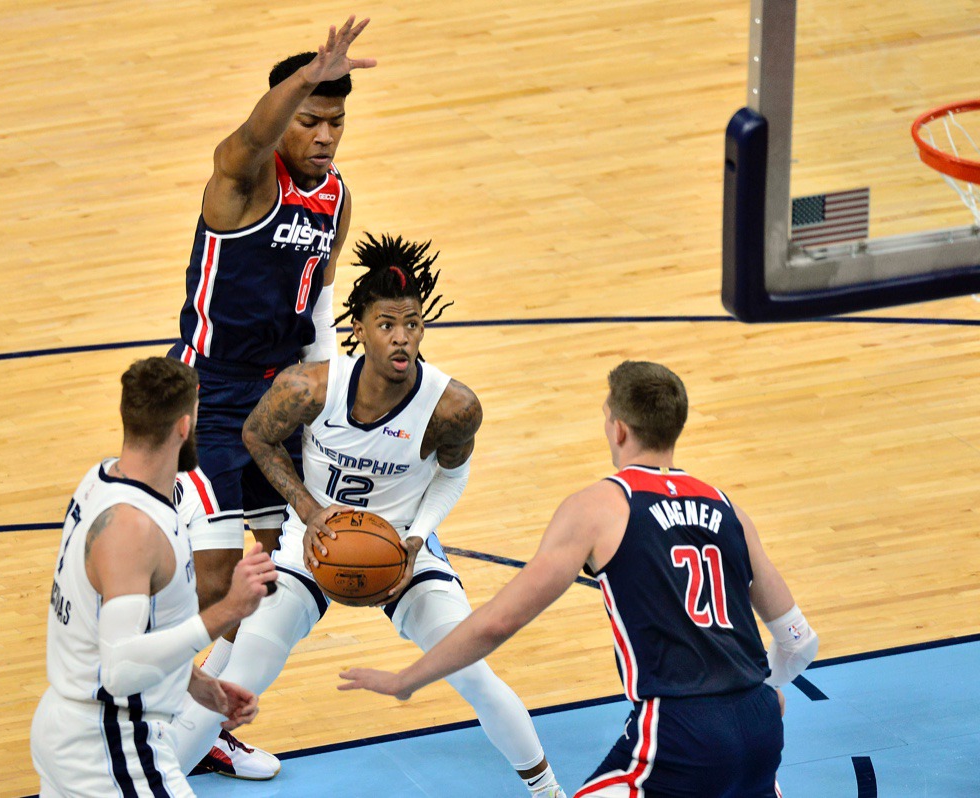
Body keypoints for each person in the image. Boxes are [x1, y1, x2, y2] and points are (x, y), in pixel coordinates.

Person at [168, 233, 567, 798]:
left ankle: (548, 789)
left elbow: (452, 475)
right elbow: (257, 436)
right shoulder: (310, 388)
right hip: (311, 550)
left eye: (412, 323)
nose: (401, 337)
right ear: (360, 328)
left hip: (400, 552)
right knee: (235, 681)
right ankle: (147, 787)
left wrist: (414, 539)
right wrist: (308, 512)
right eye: (387, 324)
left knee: (472, 670)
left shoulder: (453, 406)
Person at [340, 361, 821, 797]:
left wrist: (407, 679)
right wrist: (760, 688)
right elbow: (800, 641)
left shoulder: (599, 507)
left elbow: (496, 624)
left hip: (679, 731)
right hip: (760, 726)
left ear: (618, 428)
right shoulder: (727, 506)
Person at [164, 16, 375, 778]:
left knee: (273, 567)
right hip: (209, 394)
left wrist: (333, 396)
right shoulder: (243, 181)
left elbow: (318, 301)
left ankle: (201, 721)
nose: (324, 134)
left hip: (282, 398)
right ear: (284, 114)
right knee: (217, 575)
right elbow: (248, 138)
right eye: (310, 119)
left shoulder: (337, 196)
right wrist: (301, 78)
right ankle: (157, 715)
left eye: (336, 121)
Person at [29, 357, 278, 798]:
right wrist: (229, 610)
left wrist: (198, 684)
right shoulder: (132, 528)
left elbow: (137, 636)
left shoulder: (103, 480)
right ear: (185, 425)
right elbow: (121, 670)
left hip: (78, 729)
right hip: (109, 745)